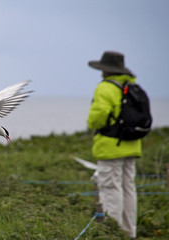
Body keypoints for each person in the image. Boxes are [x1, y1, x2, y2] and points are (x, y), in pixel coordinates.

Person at [87, 51, 140, 239]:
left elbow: (97, 118)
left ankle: (112, 233)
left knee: (110, 189)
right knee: (128, 188)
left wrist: (92, 123)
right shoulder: (131, 86)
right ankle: (129, 232)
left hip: (110, 147)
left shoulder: (105, 88)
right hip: (132, 145)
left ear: (105, 70)